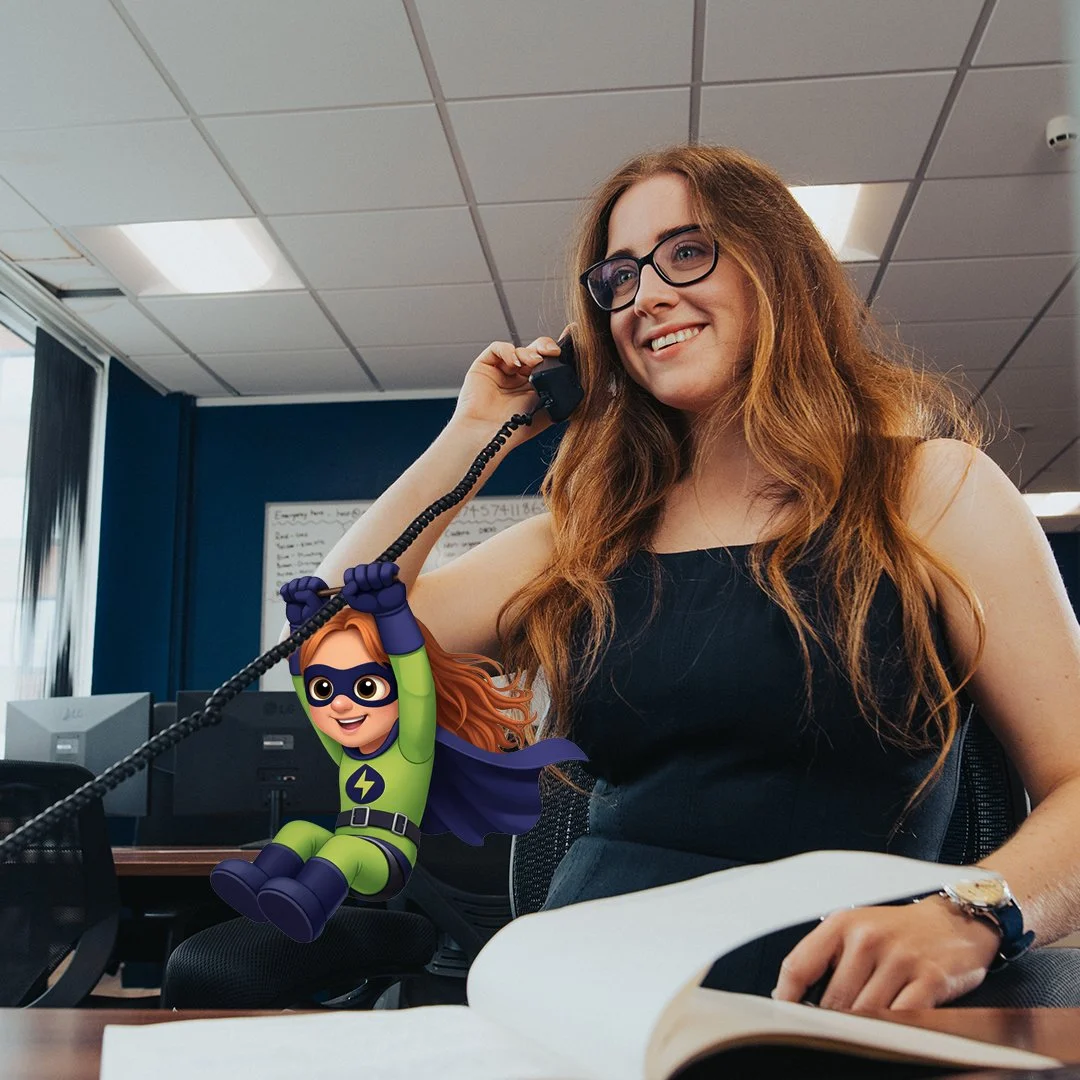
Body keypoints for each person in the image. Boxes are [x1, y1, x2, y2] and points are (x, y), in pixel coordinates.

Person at [311, 144, 1080, 1010]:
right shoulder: (587, 535)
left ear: (776, 271)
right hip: (582, 994)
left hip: (832, 1004)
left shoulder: (930, 492)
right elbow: (335, 639)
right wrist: (470, 435)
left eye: (686, 251)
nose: (647, 296)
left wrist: (975, 913)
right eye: (618, 279)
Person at [212, 562, 583, 942]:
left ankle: (307, 908)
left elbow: (416, 686)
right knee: (299, 831)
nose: (340, 705)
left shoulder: (410, 748)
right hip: (352, 852)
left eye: (366, 688)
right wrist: (302, 628)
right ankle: (257, 888)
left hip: (387, 857)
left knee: (343, 847)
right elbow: (308, 700)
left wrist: (392, 613)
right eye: (327, 689)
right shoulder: (349, 753)